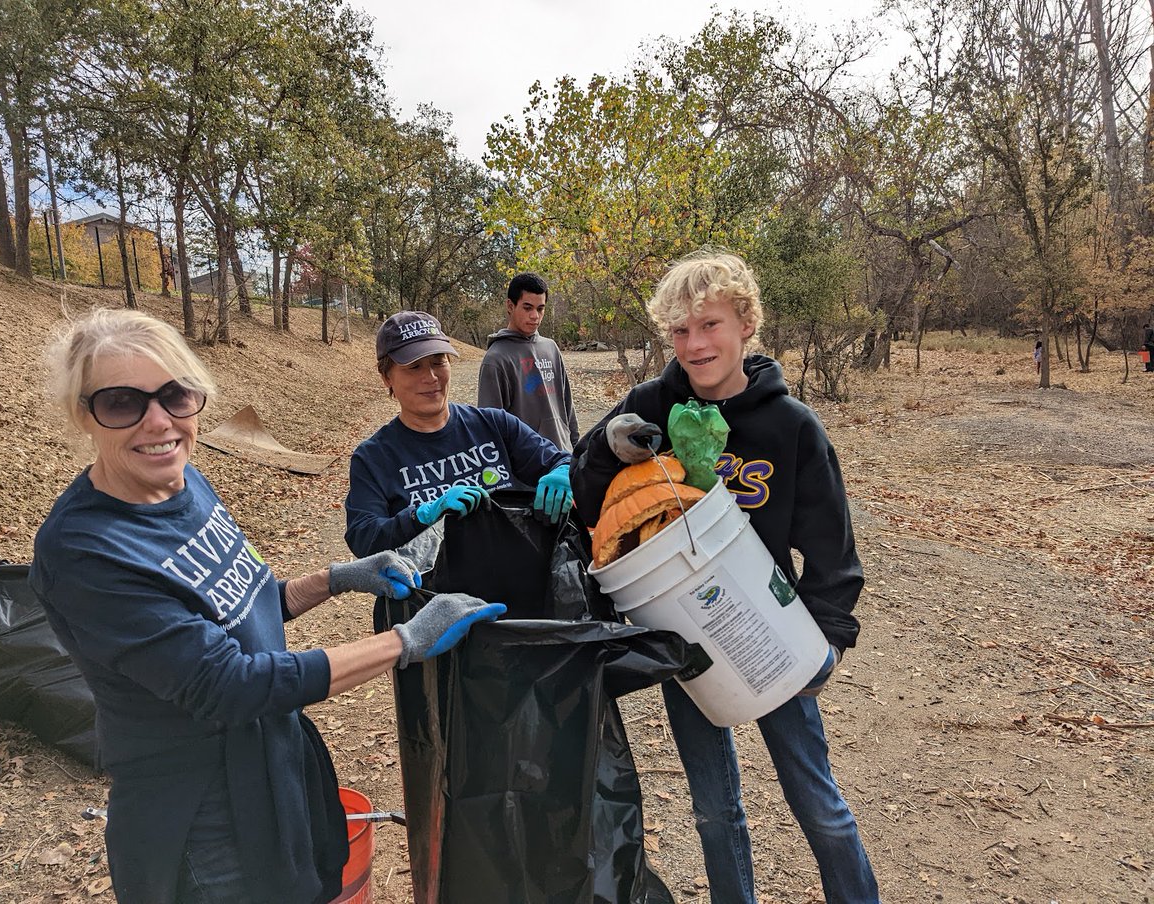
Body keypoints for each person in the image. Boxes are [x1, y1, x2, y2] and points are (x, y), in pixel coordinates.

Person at [31, 307, 505, 904]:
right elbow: (229, 682)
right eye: (123, 403)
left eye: (176, 396)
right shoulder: (86, 552)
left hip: (269, 765)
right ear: (85, 412)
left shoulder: (185, 480)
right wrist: (404, 642)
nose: (159, 422)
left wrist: (336, 578)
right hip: (203, 816)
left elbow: (245, 608)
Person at [571, 251, 878, 904]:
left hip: (773, 631)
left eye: (709, 324)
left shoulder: (790, 425)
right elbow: (585, 488)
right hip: (684, 639)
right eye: (680, 331)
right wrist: (606, 447)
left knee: (817, 803)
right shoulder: (651, 406)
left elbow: (832, 550)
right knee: (715, 810)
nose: (695, 344)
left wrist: (830, 640)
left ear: (745, 323)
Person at [345, 310, 574, 557]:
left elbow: (561, 461)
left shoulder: (494, 425)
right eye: (414, 367)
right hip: (433, 594)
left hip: (518, 583)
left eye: (438, 362)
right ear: (386, 377)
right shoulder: (374, 458)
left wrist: (564, 473)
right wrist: (422, 514)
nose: (431, 377)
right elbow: (363, 537)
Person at [477, 272, 579, 451]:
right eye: (527, 307)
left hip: (563, 457)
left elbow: (567, 405)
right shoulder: (495, 360)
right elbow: (489, 427)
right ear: (510, 305)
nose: (535, 316)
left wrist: (576, 448)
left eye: (540, 309)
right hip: (528, 468)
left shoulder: (551, 348)